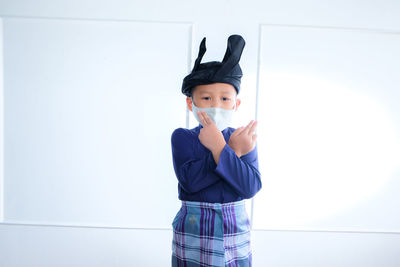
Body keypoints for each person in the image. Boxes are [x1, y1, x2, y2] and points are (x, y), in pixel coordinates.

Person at [171, 34, 262, 267]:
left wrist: (222, 147)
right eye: (206, 98)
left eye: (224, 98)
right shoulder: (182, 137)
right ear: (191, 103)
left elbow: (250, 186)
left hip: (235, 227)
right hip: (194, 226)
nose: (216, 105)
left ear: (236, 104)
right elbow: (190, 182)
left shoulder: (242, 138)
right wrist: (229, 151)